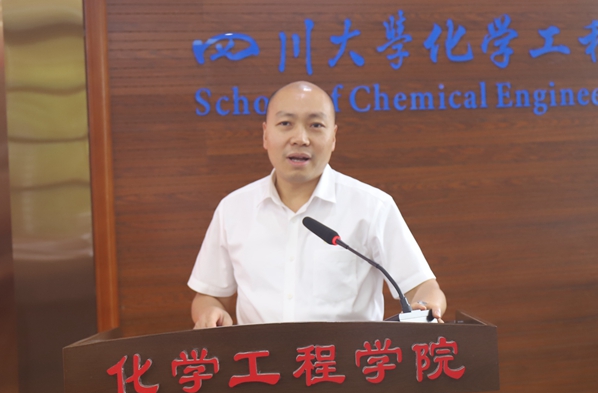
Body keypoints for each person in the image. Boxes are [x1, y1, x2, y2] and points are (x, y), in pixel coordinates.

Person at [189, 81, 446, 329]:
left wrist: (425, 308)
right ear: (266, 134)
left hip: (347, 357)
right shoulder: (233, 209)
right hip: (260, 359)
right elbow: (209, 296)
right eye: (286, 123)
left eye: (315, 125)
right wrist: (210, 312)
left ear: (333, 137)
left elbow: (423, 287)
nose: (300, 138)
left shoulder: (373, 207)